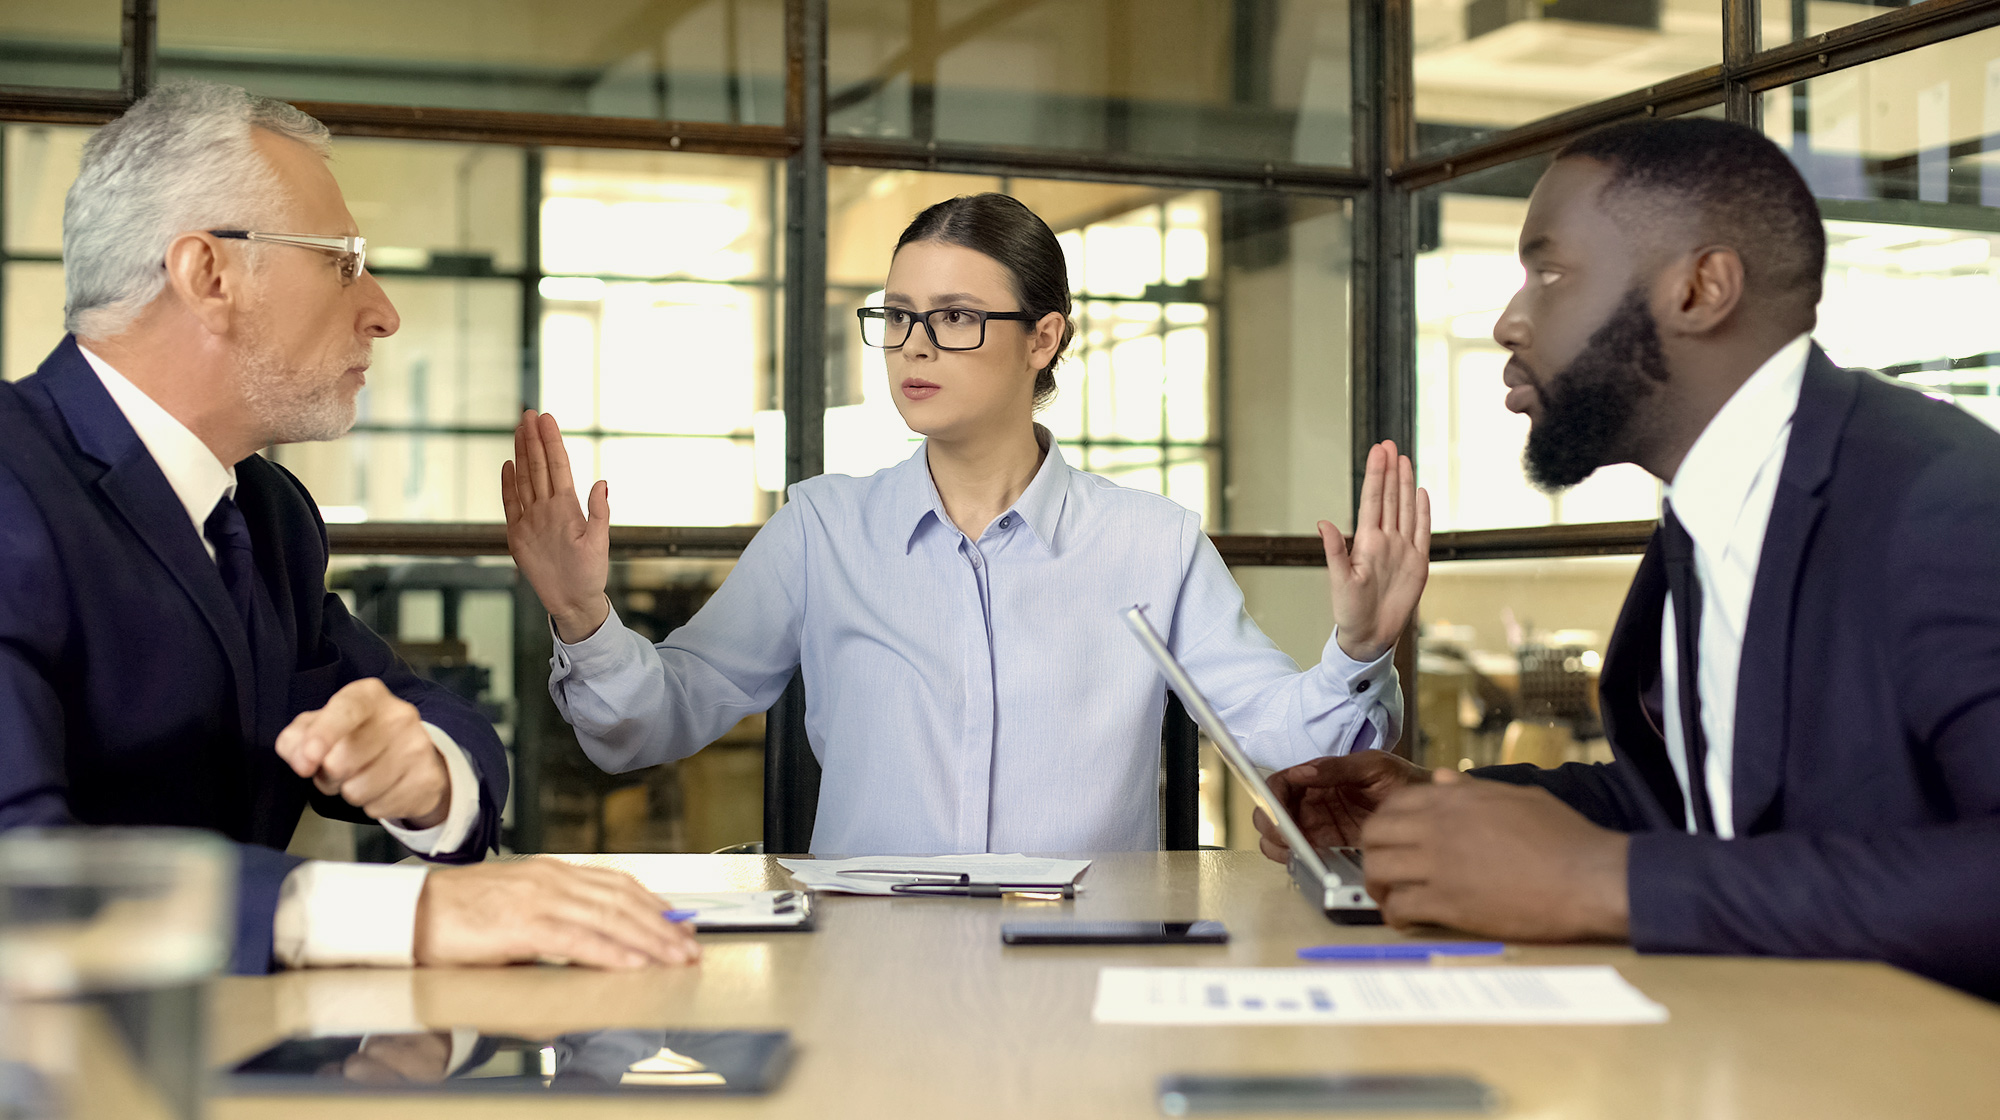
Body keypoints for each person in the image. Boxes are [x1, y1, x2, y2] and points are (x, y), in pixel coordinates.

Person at [1255, 118, 2000, 1000]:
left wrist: (1607, 883)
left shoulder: (1945, 502)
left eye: (1551, 273)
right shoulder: (1710, 511)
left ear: (1701, 288)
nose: (1507, 322)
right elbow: (1704, 807)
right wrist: (1441, 811)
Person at [0, 81, 698, 974]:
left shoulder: (266, 514)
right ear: (207, 274)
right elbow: (21, 874)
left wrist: (428, 775)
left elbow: (434, 714)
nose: (383, 309)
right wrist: (404, 913)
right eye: (341, 260)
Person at [505, 193, 1431, 853]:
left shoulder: (1151, 542)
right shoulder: (823, 529)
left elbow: (1284, 743)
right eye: (898, 316)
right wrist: (585, 617)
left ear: (1044, 338)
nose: (913, 345)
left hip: (1086, 975)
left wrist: (1357, 650)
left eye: (953, 318)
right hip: (869, 975)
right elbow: (649, 725)